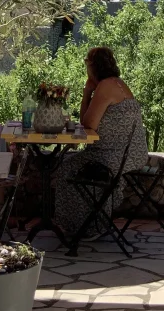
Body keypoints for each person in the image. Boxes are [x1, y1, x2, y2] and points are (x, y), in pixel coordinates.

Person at [54, 47, 148, 240]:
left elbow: (87, 124)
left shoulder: (104, 87)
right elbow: (88, 123)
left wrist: (86, 92)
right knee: (74, 164)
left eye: (86, 62)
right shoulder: (118, 83)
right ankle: (94, 221)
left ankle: (86, 226)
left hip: (113, 156)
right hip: (132, 154)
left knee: (66, 168)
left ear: (92, 66)